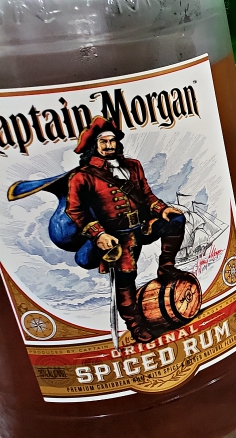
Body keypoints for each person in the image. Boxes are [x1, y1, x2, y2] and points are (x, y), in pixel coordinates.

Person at [65, 116, 188, 343]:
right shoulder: (82, 177)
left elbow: (147, 195)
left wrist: (162, 210)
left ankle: (167, 268)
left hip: (143, 226)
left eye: (112, 141)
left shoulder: (133, 166)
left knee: (176, 220)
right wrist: (98, 234)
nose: (110, 145)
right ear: (94, 145)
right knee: (126, 278)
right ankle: (135, 323)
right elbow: (75, 211)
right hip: (117, 237)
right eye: (104, 142)